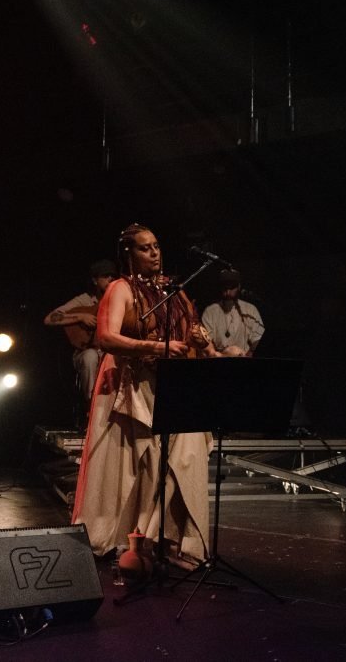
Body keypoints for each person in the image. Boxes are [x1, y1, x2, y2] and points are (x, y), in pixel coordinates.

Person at [71, 224, 215, 566]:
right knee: (143, 465)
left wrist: (202, 344)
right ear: (128, 254)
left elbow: (198, 338)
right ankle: (137, 537)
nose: (154, 253)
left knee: (181, 461)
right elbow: (106, 337)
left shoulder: (174, 293)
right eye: (145, 248)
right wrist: (154, 346)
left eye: (156, 246)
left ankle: (168, 538)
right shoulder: (120, 289)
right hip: (133, 388)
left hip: (173, 387)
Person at [43, 259, 117, 399]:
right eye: (105, 276)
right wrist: (81, 317)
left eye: (112, 276)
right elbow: (49, 319)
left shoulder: (119, 300)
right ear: (95, 280)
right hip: (87, 352)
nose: (110, 279)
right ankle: (90, 404)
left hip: (110, 351)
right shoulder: (85, 300)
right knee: (90, 357)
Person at [200, 268, 264, 357]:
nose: (228, 291)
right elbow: (206, 344)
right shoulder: (210, 311)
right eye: (225, 287)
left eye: (232, 287)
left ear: (239, 286)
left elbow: (257, 339)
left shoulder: (250, 310)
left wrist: (250, 354)